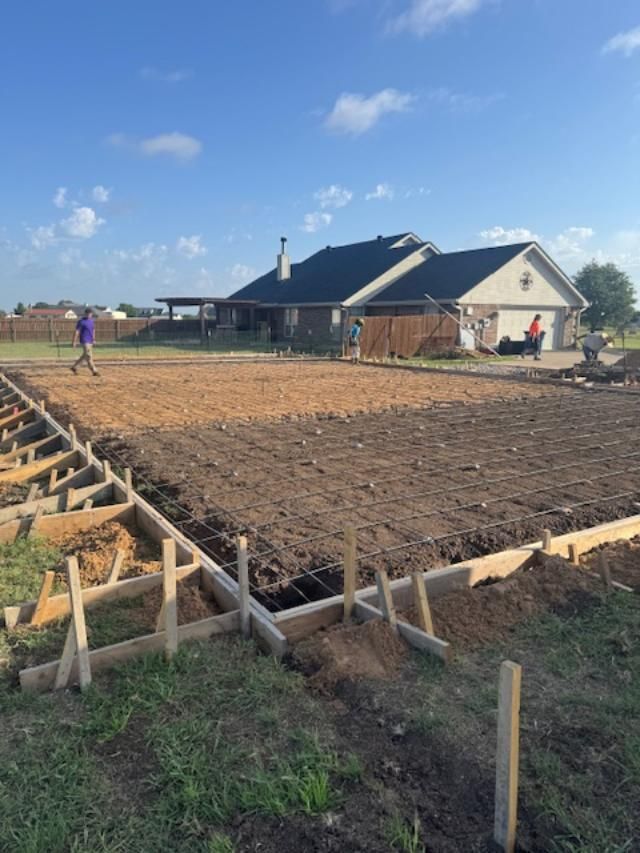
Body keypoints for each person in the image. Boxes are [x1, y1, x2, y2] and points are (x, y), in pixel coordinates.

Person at [71, 308, 99, 376]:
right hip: (84, 340)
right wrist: (74, 341)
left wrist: (93, 339)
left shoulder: (91, 321)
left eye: (90, 314)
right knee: (89, 356)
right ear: (85, 314)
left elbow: (93, 330)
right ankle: (94, 371)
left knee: (85, 355)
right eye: (88, 313)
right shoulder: (81, 321)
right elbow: (77, 331)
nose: (89, 315)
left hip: (90, 341)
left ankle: (74, 367)